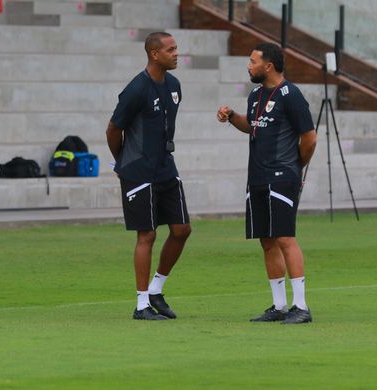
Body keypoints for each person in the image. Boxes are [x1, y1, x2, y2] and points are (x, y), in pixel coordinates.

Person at [216, 42, 317, 324]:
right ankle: (279, 306)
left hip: (282, 176)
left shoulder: (291, 95)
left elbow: (309, 138)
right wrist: (232, 117)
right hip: (257, 177)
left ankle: (301, 306)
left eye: (253, 61)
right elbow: (252, 126)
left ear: (268, 66)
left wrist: (295, 166)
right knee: (267, 241)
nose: (249, 66)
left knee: (284, 237)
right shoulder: (256, 95)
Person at [106, 32, 192, 321]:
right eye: (171, 50)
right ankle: (142, 305)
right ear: (154, 54)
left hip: (166, 167)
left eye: (176, 48)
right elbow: (113, 129)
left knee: (182, 230)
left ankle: (156, 289)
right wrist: (124, 160)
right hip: (139, 171)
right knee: (148, 234)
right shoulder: (136, 88)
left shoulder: (174, 85)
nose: (176, 54)